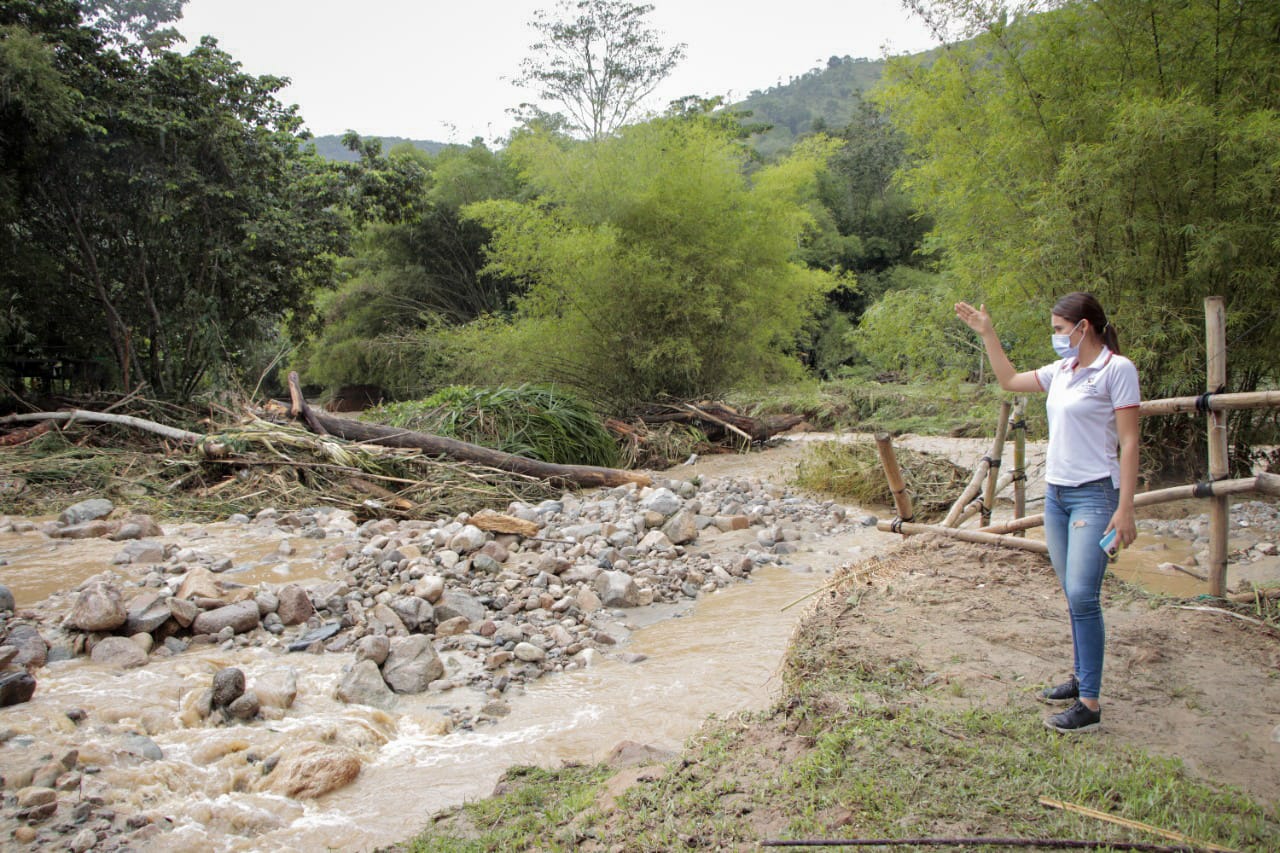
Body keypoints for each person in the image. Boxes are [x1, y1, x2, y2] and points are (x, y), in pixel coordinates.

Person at [955, 292, 1140, 733]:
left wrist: (1126, 507)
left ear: (1084, 327)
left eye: (1059, 329)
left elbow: (1130, 441)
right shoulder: (1062, 371)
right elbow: (1009, 379)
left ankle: (1090, 705)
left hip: (1095, 495)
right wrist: (988, 333)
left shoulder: (1117, 369)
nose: (1056, 337)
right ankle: (1080, 679)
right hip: (1056, 495)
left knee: (1082, 594)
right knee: (1071, 592)